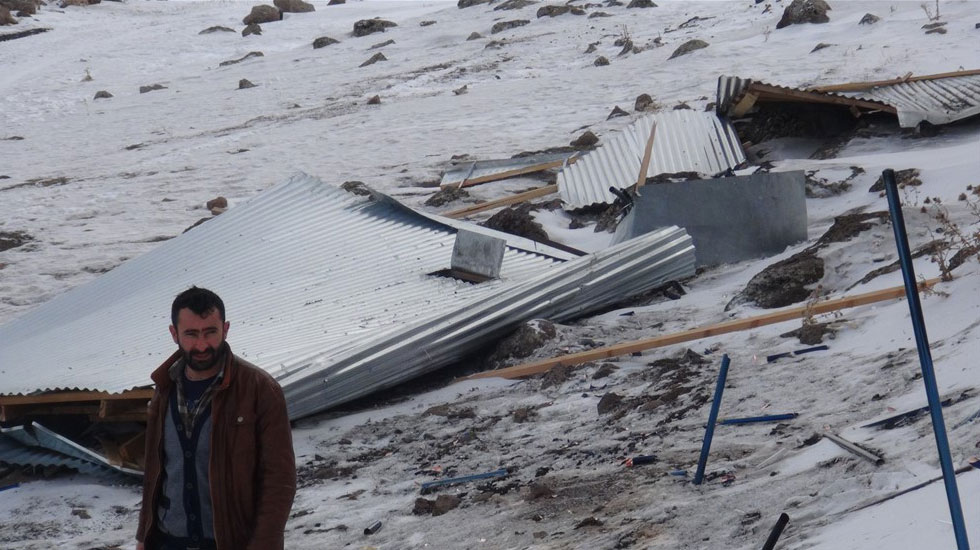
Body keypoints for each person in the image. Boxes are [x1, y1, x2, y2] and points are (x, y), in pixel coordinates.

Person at [136, 286, 296, 550]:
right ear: (174, 333)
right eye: (191, 334)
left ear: (226, 329)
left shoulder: (258, 390)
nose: (202, 345)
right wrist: (144, 536)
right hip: (168, 542)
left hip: (230, 542)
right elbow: (155, 470)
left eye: (211, 332)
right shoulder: (165, 388)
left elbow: (279, 480)